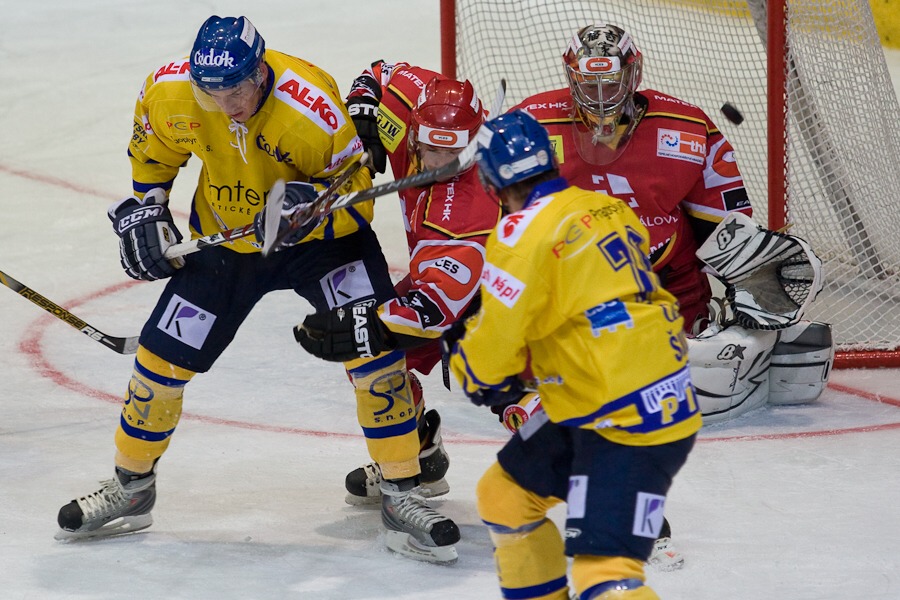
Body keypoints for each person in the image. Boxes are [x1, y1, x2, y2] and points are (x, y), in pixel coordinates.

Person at [54, 15, 459, 565]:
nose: (226, 107)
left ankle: (402, 491)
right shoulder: (169, 93)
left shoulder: (311, 107)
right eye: (212, 94)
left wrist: (314, 208)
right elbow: (153, 156)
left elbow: (359, 191)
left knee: (376, 354)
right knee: (156, 365)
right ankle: (132, 488)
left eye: (237, 92)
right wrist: (147, 210)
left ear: (261, 72)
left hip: (323, 244)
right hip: (228, 243)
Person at [504, 24, 832, 429]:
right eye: (590, 83)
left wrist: (754, 273)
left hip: (666, 284)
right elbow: (492, 226)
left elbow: (724, 228)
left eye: (612, 81)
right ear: (571, 76)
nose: (602, 94)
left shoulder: (686, 127)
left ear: (634, 73)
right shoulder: (528, 126)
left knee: (685, 372)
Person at [446, 109, 700, 600]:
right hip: (615, 391)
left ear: (491, 183)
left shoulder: (519, 236)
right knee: (505, 497)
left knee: (604, 572)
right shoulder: (605, 206)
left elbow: (495, 347)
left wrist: (472, 367)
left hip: (623, 414)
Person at [296, 62, 501, 510]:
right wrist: (362, 109)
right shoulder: (414, 101)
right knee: (372, 364)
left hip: (491, 305)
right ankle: (421, 453)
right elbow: (381, 73)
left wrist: (362, 323)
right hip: (437, 281)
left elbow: (432, 310)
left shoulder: (469, 213)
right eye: (429, 149)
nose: (437, 164)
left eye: (452, 154)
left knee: (523, 407)